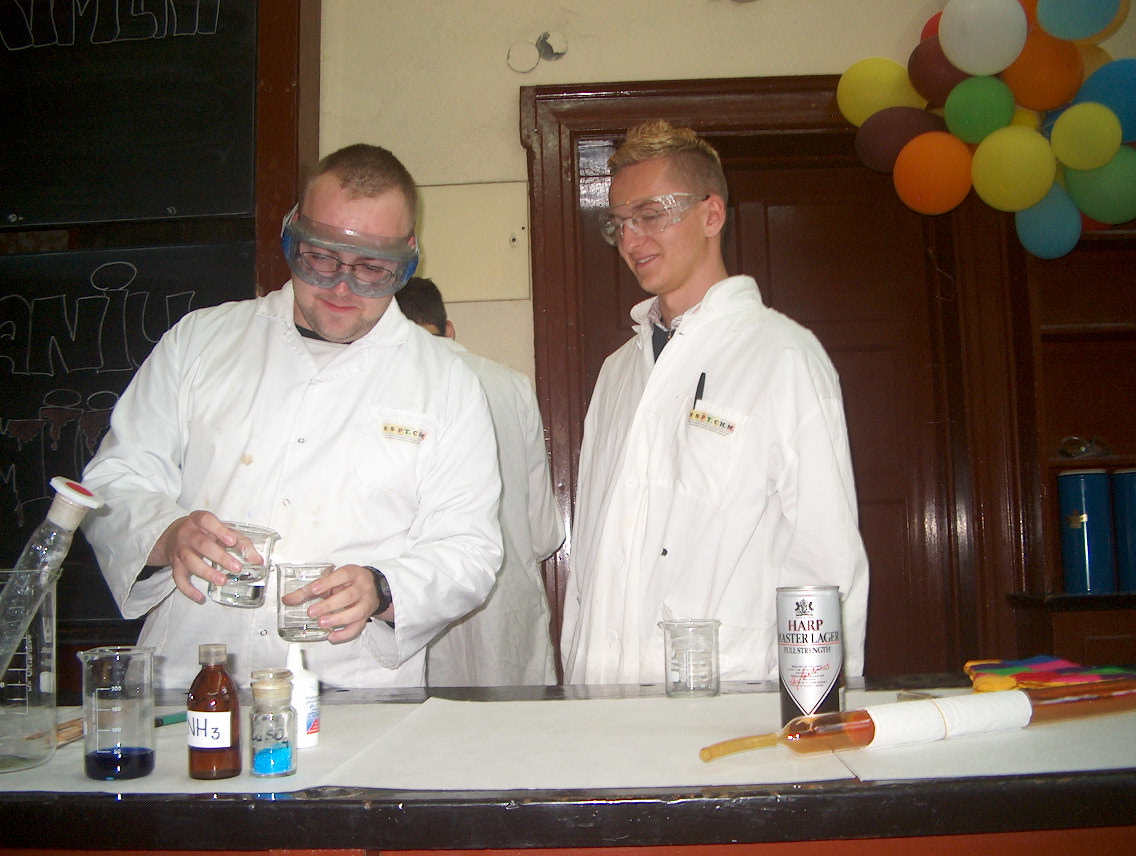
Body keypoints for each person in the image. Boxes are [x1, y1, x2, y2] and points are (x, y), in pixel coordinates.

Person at [81, 144, 503, 690]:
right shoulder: (200, 342)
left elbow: (469, 550)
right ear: (291, 236)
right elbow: (114, 481)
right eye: (321, 258)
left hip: (355, 692)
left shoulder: (446, 383)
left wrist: (381, 588)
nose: (343, 286)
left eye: (373, 268)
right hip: (190, 678)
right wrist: (166, 535)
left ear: (408, 259)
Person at [562, 120, 869, 685]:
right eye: (619, 223)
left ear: (711, 214)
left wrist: (811, 714)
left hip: (731, 699)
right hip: (606, 700)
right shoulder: (617, 373)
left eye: (650, 214)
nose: (630, 239)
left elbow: (826, 563)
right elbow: (587, 562)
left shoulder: (782, 357)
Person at [396, 277, 564, 686]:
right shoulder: (512, 386)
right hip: (507, 618)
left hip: (418, 613)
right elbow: (544, 534)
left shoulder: (384, 390)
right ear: (449, 329)